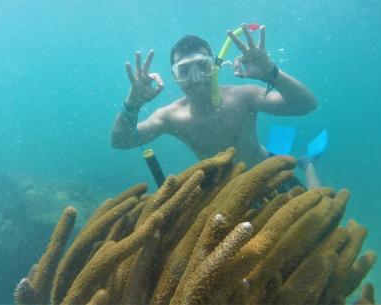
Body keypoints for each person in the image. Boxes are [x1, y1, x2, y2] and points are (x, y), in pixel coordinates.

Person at [111, 24, 321, 188]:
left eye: (202, 66)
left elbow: (305, 105)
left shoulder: (243, 96)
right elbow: (121, 141)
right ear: (175, 77)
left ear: (215, 67)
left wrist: (271, 71)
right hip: (224, 191)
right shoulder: (171, 117)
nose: (196, 78)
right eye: (185, 70)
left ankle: (307, 163)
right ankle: (305, 161)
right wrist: (132, 104)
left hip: (268, 174)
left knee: (319, 223)